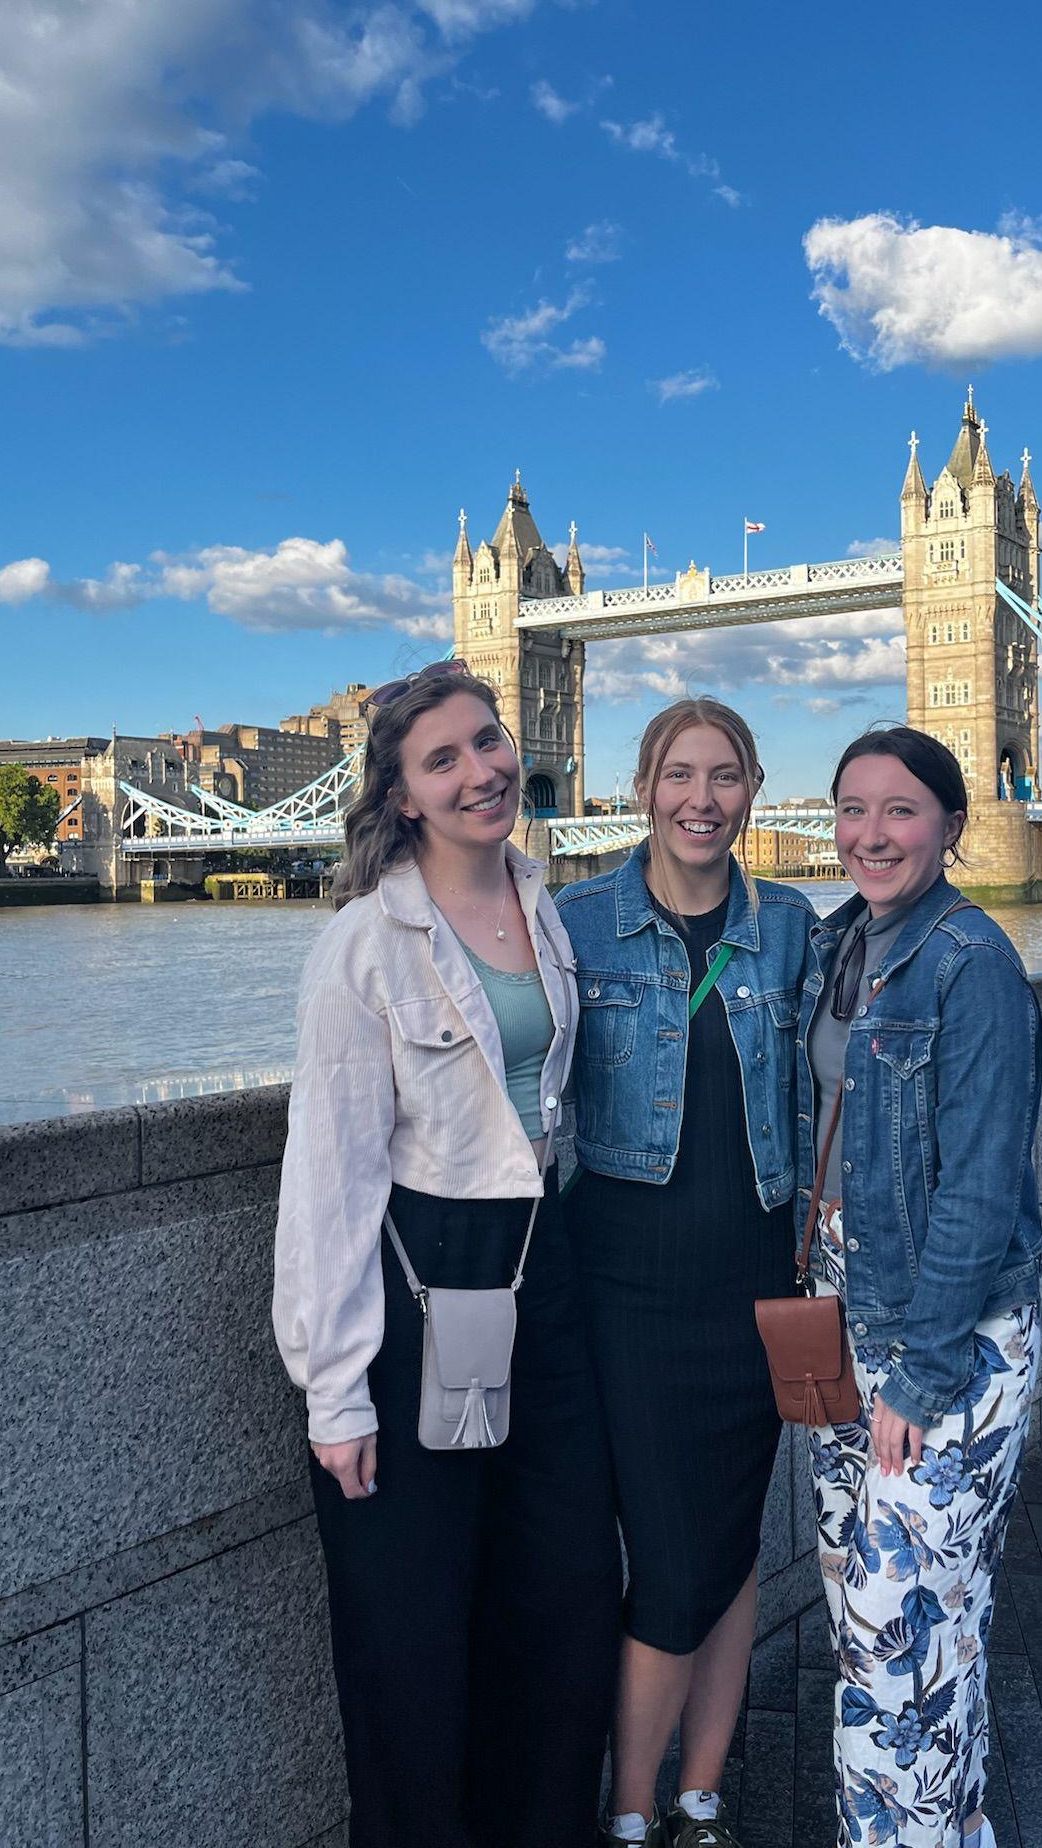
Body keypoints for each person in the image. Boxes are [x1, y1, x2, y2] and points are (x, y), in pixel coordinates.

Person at [271, 661, 620, 1848]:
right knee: (412, 1626)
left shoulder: (543, 903)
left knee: (564, 1594)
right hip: (421, 1280)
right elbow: (328, 1174)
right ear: (401, 795)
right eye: (443, 758)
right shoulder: (362, 945)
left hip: (542, 1267)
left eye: (488, 740)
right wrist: (333, 1388)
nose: (481, 770)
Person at [557, 697, 816, 1848]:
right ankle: (627, 1812)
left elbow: (847, 1080)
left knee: (728, 1541)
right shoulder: (575, 924)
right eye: (677, 774)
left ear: (752, 789)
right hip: (625, 1294)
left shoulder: (795, 927)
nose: (699, 799)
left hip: (756, 1289)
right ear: (641, 789)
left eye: (723, 775)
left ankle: (697, 1798)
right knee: (669, 1560)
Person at [796, 727, 1042, 1848]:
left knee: (894, 1625)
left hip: (945, 1334)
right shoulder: (836, 942)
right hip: (840, 1306)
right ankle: (953, 1826)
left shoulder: (971, 963)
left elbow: (982, 1187)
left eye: (899, 810)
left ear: (951, 824)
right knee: (902, 1618)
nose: (870, 833)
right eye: (851, 808)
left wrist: (921, 1368)